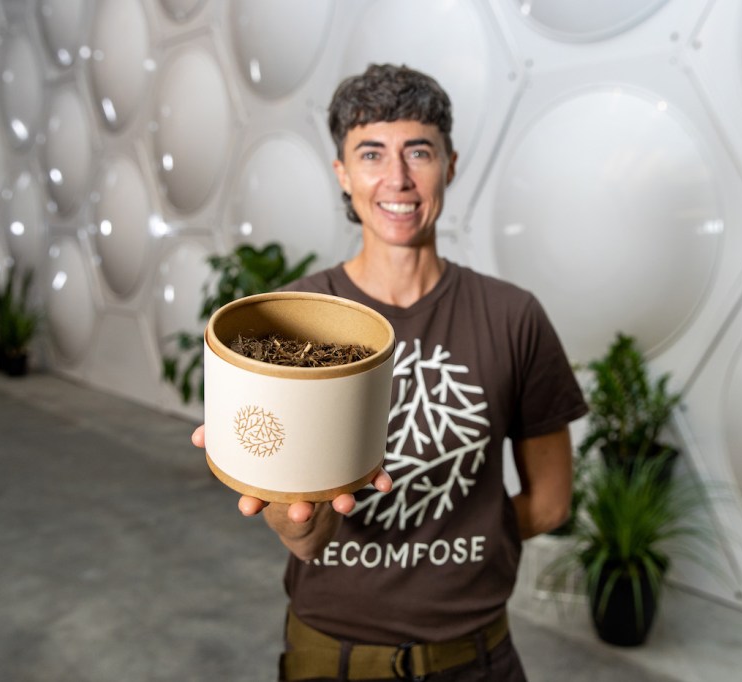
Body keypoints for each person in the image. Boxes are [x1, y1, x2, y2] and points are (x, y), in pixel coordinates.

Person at [192, 63, 587, 681]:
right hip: (332, 658)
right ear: (342, 174)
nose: (397, 179)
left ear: (450, 165)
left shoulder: (513, 317)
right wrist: (286, 507)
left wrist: (466, 543)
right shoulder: (295, 321)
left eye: (419, 152)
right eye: (371, 153)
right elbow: (305, 537)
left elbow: (553, 501)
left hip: (476, 659)